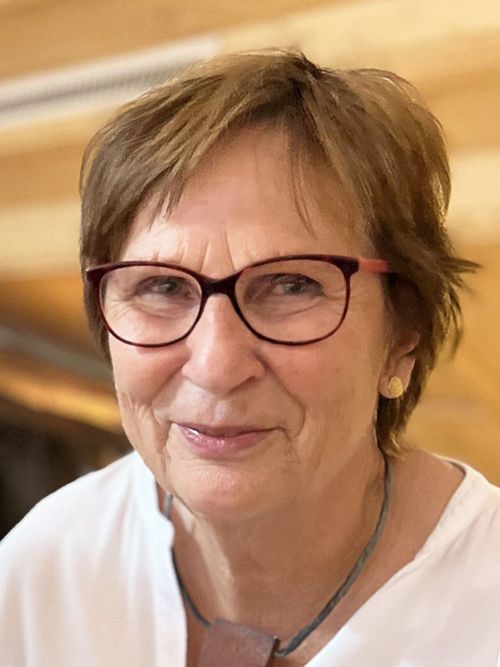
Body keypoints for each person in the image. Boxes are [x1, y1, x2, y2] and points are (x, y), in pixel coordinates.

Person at [1, 49, 499, 667]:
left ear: (404, 335)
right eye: (162, 286)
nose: (216, 366)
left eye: (291, 285)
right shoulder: (45, 570)